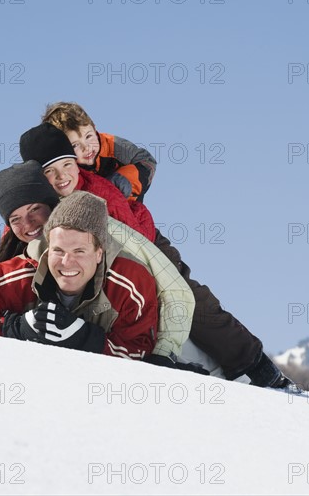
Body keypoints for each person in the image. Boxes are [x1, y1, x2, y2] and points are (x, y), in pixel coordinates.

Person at [24, 117, 293, 388]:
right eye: (51, 170)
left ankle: (256, 366)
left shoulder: (100, 174)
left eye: (68, 160)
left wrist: (127, 181)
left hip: (148, 242)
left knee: (198, 307)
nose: (62, 175)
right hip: (119, 255)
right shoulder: (44, 203)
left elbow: (143, 163)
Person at [0, 162, 172, 362]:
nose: (67, 261)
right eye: (58, 250)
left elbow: (141, 351)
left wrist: (85, 338)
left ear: (100, 252)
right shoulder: (26, 269)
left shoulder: (129, 278)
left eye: (79, 251)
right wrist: (15, 328)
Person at [42, 102, 156, 202]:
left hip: (129, 204)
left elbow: (147, 161)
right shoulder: (65, 167)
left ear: (94, 128)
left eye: (88, 136)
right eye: (75, 145)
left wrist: (125, 179)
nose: (86, 147)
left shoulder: (113, 145)